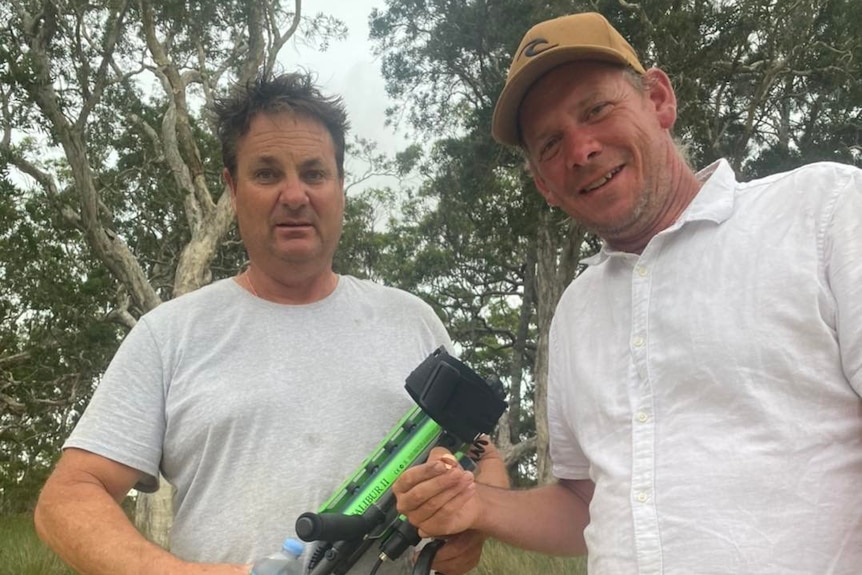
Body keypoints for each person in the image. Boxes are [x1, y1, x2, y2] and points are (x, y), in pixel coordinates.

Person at [392, 12, 862, 575]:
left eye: (596, 109)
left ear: (659, 99)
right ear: (544, 184)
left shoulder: (824, 209)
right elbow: (584, 507)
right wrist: (474, 503)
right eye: (550, 144)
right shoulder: (575, 310)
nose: (581, 149)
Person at [34, 72, 505, 575]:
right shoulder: (168, 336)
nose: (295, 194)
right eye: (266, 174)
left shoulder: (413, 321)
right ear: (233, 189)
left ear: (340, 185)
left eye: (314, 173)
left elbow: (482, 453)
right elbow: (67, 497)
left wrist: (474, 523)